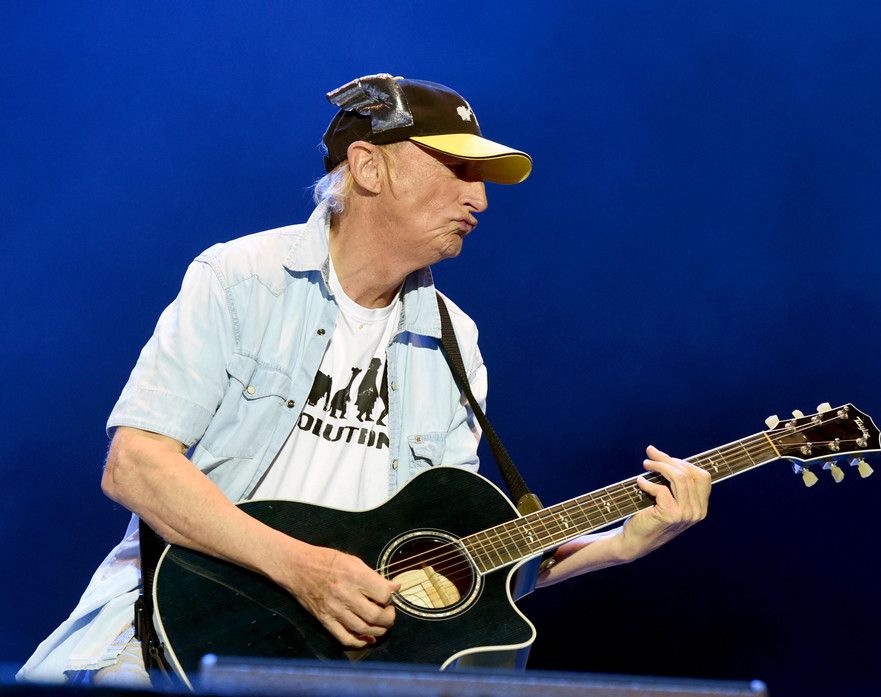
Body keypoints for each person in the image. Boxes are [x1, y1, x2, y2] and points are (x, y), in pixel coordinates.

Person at [18, 74, 712, 686]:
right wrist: (303, 570)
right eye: (457, 168)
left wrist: (618, 545)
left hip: (328, 667)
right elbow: (136, 467)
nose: (480, 198)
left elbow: (455, 565)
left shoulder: (457, 341)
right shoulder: (239, 279)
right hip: (163, 638)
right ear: (368, 166)